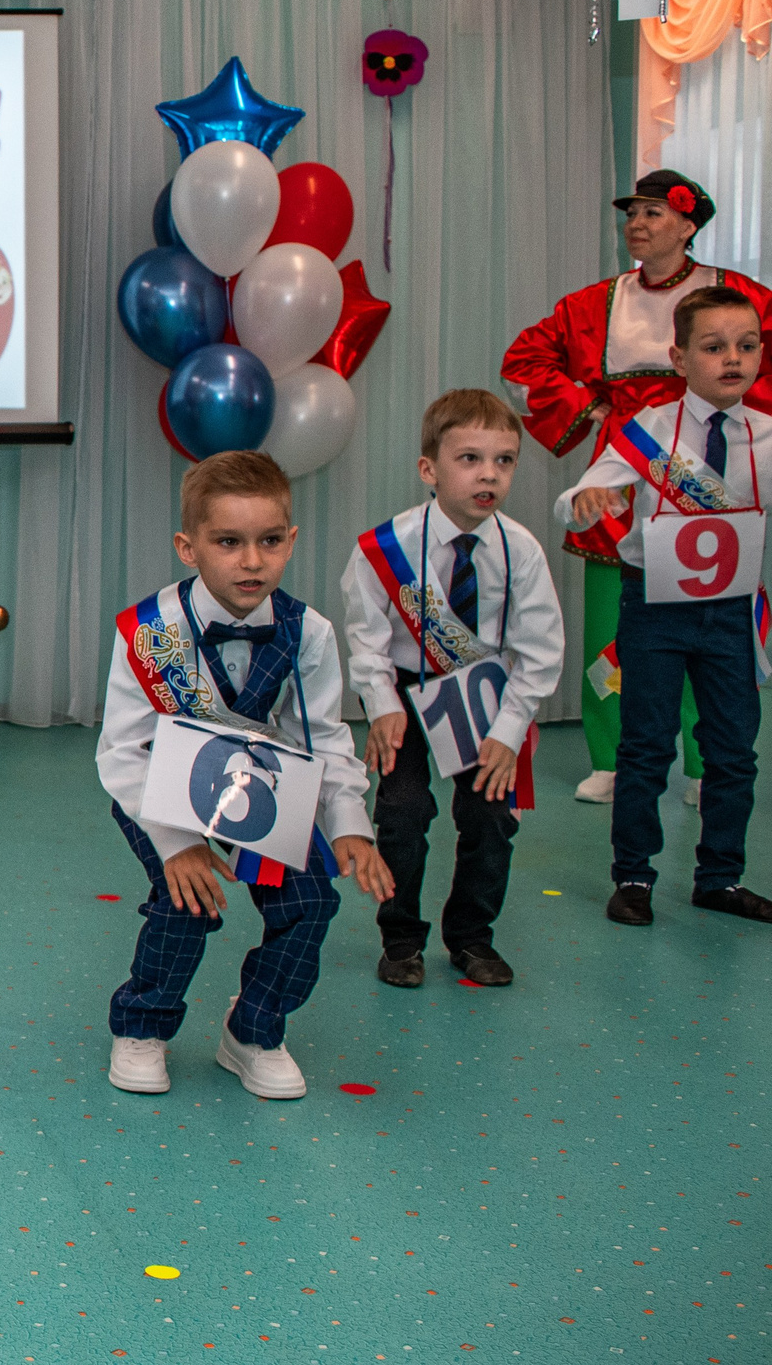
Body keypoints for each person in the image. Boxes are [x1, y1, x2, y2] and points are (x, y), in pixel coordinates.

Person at [96, 450, 391, 1100]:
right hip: (158, 787)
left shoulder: (309, 632)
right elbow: (122, 751)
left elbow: (326, 738)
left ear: (291, 541)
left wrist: (350, 824)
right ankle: (142, 1024)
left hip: (259, 786)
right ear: (188, 545)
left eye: (268, 541)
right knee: (187, 897)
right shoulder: (150, 631)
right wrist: (180, 844)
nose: (251, 560)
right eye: (228, 541)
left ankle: (253, 1031)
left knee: (311, 900)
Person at [500, 169, 772, 804]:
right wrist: (589, 409)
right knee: (611, 630)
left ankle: (706, 763)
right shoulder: (596, 302)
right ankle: (612, 757)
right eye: (633, 214)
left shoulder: (737, 297)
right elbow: (524, 362)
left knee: (713, 624)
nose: (638, 225)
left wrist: (735, 411)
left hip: (711, 475)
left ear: (687, 224)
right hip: (626, 471)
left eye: (653, 213)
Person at [560, 286, 772, 930]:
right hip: (655, 606)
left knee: (735, 750)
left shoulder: (766, 436)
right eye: (713, 347)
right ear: (679, 357)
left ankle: (721, 877)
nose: (732, 358)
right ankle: (633, 875)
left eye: (747, 345)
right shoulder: (649, 431)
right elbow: (583, 488)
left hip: (732, 611)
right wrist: (586, 502)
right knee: (647, 745)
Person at [340, 390, 563, 990]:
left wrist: (509, 732)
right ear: (429, 470)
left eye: (505, 460)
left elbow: (540, 652)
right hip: (407, 698)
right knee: (404, 815)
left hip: (485, 702)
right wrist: (382, 705)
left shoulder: (522, 552)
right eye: (469, 459)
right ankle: (401, 938)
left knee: (490, 819)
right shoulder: (384, 550)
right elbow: (367, 640)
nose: (488, 474)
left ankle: (471, 937)